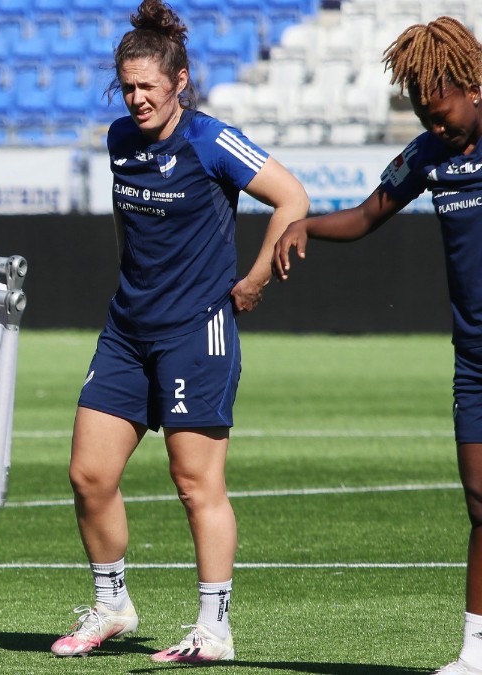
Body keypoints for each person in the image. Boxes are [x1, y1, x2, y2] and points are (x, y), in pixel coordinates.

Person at [50, 0, 309, 662]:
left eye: (148, 87)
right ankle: (112, 606)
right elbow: (125, 223)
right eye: (127, 87)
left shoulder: (210, 140)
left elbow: (293, 197)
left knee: (195, 484)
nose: (137, 99)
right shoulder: (119, 140)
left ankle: (213, 630)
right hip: (126, 332)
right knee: (88, 474)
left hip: (197, 333)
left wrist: (255, 279)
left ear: (180, 82)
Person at [272, 16, 482, 675]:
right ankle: (476, 652)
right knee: (481, 504)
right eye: (423, 115)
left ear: (473, 88)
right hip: (475, 360)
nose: (435, 124)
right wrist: (306, 226)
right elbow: (367, 215)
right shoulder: (427, 155)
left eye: (441, 111)